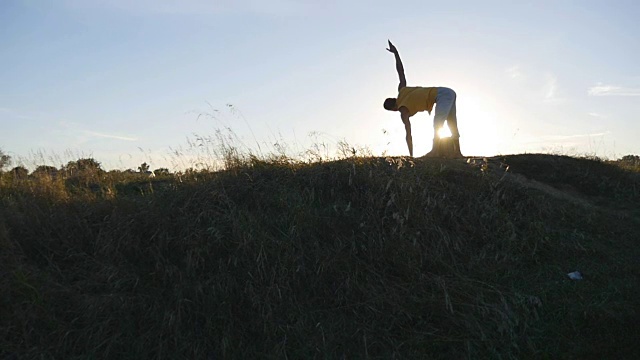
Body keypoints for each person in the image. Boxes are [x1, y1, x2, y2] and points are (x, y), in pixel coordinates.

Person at [383, 40, 462, 158]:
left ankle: (435, 151)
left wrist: (411, 156)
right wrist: (396, 53)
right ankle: (458, 153)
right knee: (452, 123)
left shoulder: (403, 111)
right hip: (447, 91)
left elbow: (408, 134)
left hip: (441, 96)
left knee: (438, 122)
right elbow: (401, 71)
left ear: (393, 109)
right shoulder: (402, 90)